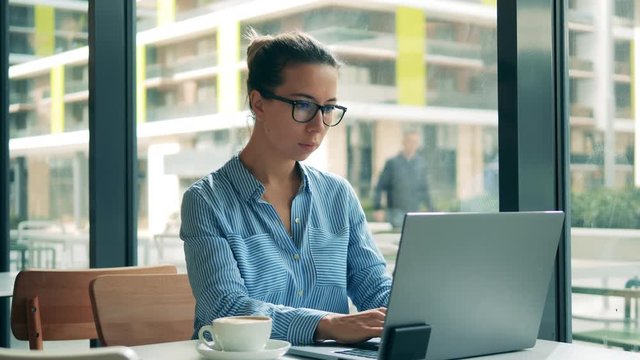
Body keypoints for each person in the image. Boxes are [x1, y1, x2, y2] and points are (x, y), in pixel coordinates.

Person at [180, 30, 392, 346]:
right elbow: (226, 309)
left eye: (328, 107)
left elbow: (374, 288)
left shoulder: (338, 196)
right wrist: (326, 324)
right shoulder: (207, 201)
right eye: (304, 105)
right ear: (259, 103)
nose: (318, 125)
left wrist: (416, 305)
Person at [373, 130, 433, 228]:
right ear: (403, 142)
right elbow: (380, 186)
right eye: (409, 141)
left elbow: (424, 189)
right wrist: (377, 208)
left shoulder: (421, 164)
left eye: (415, 142)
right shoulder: (392, 163)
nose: (412, 144)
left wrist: (431, 208)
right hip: (396, 211)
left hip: (414, 212)